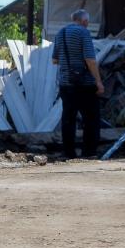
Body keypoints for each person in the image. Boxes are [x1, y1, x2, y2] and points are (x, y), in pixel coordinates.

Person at [51, 9, 105, 159]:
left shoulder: (60, 33)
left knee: (68, 119)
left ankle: (69, 153)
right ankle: (89, 153)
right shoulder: (83, 33)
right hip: (84, 84)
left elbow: (54, 60)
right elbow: (90, 60)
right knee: (91, 118)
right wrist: (98, 82)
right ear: (85, 21)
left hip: (66, 84)